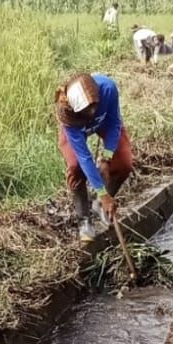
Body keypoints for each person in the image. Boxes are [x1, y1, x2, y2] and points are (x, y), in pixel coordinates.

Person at [56, 73, 134, 243]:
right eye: (85, 112)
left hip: (104, 123)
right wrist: (102, 191)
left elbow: (114, 123)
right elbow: (84, 157)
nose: (90, 114)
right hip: (77, 130)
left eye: (93, 108)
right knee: (76, 167)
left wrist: (106, 159)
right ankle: (84, 219)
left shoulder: (107, 89)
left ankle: (100, 205)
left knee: (124, 162)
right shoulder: (68, 114)